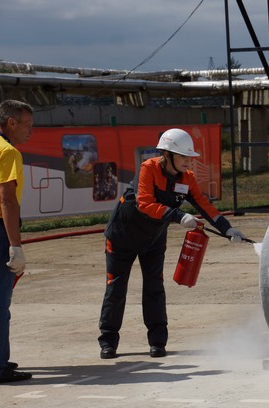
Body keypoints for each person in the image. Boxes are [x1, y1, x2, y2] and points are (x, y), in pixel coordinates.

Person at [97, 128, 248, 359]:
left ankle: (157, 342)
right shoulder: (148, 168)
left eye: (190, 157)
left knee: (155, 288)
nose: (188, 161)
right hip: (122, 236)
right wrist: (179, 217)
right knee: (116, 288)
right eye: (183, 157)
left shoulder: (186, 178)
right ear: (167, 155)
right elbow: (144, 203)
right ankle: (108, 341)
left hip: (153, 240)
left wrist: (227, 228)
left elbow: (203, 205)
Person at [0, 100, 34, 384]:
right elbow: (7, 199)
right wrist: (15, 246)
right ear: (11, 123)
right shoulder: (8, 152)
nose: (31, 131)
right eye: (28, 125)